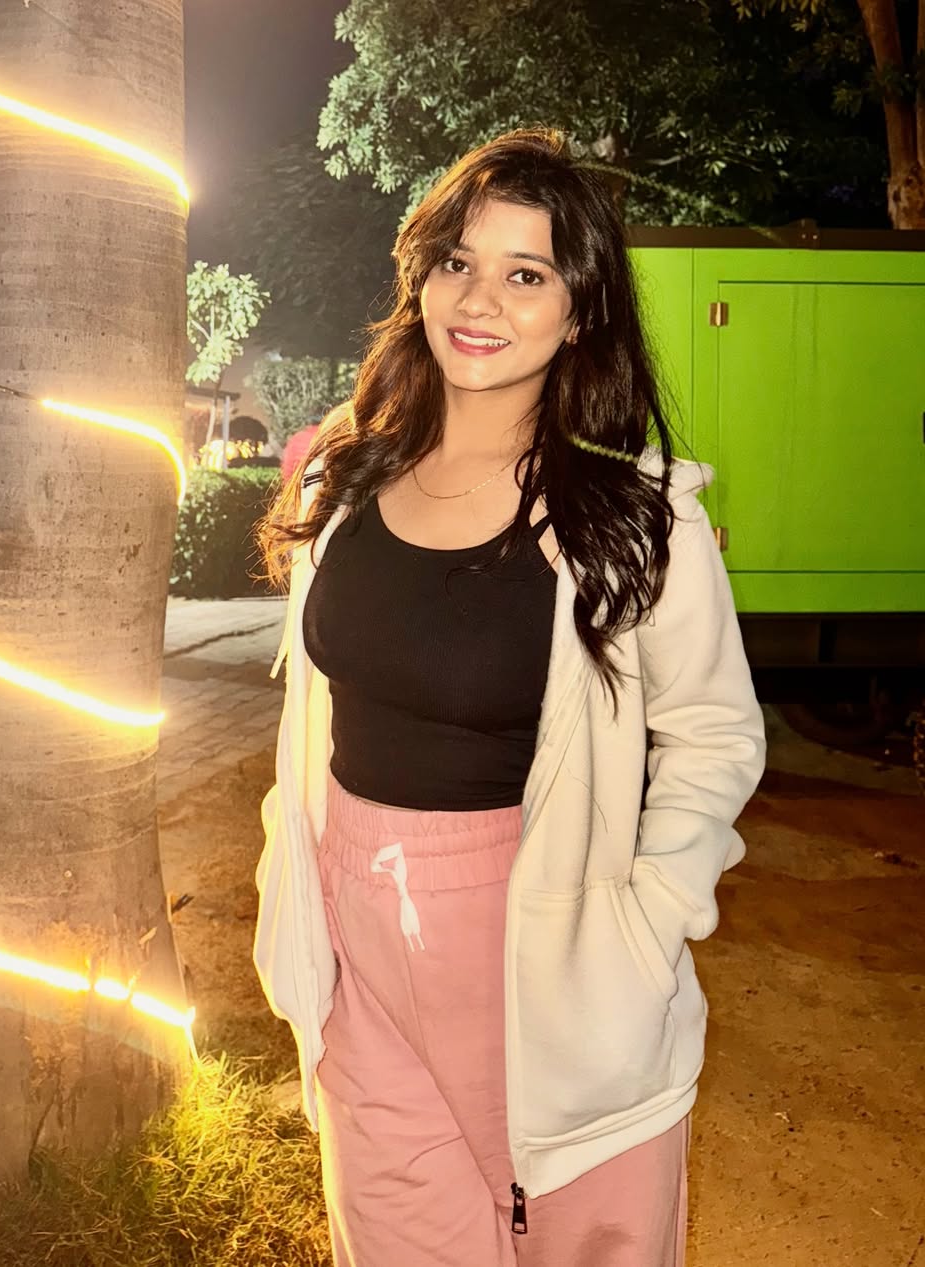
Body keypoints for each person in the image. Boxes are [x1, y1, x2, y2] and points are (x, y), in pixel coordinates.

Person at [253, 129, 765, 1267]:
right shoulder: (346, 482)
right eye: (458, 262)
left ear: (579, 312)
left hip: (547, 949)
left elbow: (715, 734)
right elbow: (315, 716)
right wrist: (291, 869)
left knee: (583, 1238)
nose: (480, 299)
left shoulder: (633, 522)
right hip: (354, 948)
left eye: (526, 274)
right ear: (422, 280)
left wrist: (648, 919)